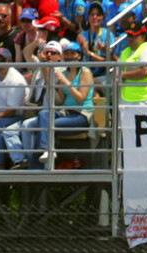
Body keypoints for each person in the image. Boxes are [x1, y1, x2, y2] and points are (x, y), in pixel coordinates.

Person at [32, 38, 93, 166]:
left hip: (81, 115)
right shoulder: (64, 72)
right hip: (66, 112)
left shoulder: (85, 72)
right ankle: (46, 150)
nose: (70, 56)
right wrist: (51, 84)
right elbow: (60, 101)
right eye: (67, 53)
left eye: (73, 53)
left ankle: (40, 161)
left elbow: (81, 98)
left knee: (49, 125)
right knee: (44, 114)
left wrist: (65, 82)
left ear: (79, 56)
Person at [0, 45, 28, 166]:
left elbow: (12, 111)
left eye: (2, 60)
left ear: (9, 61)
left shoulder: (17, 80)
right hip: (1, 113)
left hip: (17, 116)